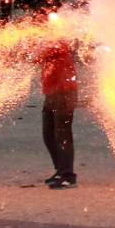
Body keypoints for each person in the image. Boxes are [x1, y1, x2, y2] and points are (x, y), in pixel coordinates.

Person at [37, 38, 79, 189]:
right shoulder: (49, 40)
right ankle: (60, 170)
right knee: (48, 134)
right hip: (52, 93)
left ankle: (68, 175)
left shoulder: (58, 41)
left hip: (64, 92)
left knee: (62, 134)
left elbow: (38, 55)